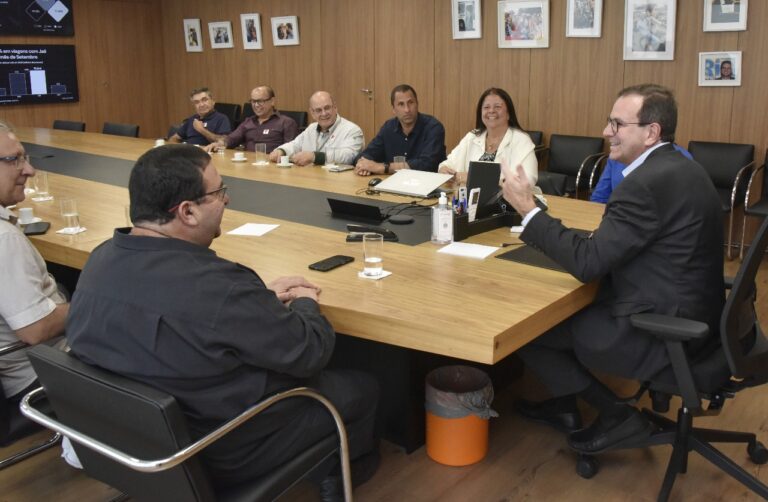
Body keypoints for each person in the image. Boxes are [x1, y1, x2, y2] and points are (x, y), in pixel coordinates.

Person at [65, 144, 379, 497]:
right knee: (361, 388)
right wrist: (305, 302)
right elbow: (311, 352)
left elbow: (187, 311)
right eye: (218, 192)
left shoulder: (100, 260)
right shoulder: (220, 287)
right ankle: (340, 479)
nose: (226, 200)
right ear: (187, 212)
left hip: (125, 443)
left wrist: (256, 300)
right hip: (216, 451)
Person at [501, 84, 724, 454]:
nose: (607, 132)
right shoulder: (681, 167)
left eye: (617, 124)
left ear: (651, 132)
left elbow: (588, 263)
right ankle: (565, 404)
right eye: (610, 122)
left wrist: (528, 208)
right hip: (700, 310)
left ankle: (616, 415)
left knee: (529, 330)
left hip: (664, 325)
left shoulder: (644, 184)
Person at [0, 121, 69, 417]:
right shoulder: (4, 240)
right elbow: (36, 329)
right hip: (39, 376)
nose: (29, 170)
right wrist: (98, 301)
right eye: (14, 159)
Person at [438, 87, 537, 186]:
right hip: (470, 200)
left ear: (508, 114)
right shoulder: (472, 136)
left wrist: (474, 178)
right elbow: (447, 164)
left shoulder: (521, 140)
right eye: (486, 107)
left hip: (508, 200)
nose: (491, 111)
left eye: (497, 107)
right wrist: (444, 170)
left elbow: (526, 181)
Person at [354, 84, 446, 175]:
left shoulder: (433, 127)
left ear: (417, 104)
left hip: (427, 184)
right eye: (401, 104)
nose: (407, 110)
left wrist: (383, 168)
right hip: (394, 185)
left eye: (410, 103)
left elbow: (426, 164)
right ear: (394, 109)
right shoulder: (388, 127)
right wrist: (363, 164)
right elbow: (368, 153)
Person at [269, 91, 364, 166]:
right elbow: (295, 145)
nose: (324, 113)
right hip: (312, 178)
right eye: (318, 110)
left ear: (335, 107)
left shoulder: (352, 130)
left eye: (327, 108)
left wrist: (314, 157)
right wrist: (281, 151)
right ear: (312, 113)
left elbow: (349, 156)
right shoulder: (312, 128)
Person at [206, 86, 298, 154]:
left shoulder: (286, 122)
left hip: (273, 166)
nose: (256, 105)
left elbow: (291, 149)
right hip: (248, 165)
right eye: (253, 101)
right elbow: (231, 139)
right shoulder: (248, 122)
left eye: (260, 101)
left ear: (272, 101)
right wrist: (219, 144)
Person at [590, 143, 692, 203]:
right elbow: (599, 198)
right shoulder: (618, 154)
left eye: (620, 124)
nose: (609, 131)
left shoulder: (682, 159)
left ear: (652, 131)